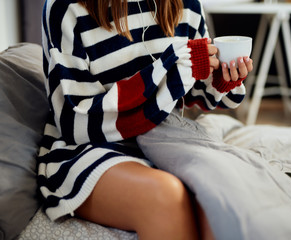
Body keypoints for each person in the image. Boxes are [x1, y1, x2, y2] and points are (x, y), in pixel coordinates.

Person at [38, 0, 253, 239]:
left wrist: (220, 78)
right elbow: (74, 122)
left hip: (167, 137)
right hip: (91, 148)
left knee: (217, 197)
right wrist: (169, 68)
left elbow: (191, 90)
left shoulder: (188, 5)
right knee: (165, 197)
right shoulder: (65, 8)